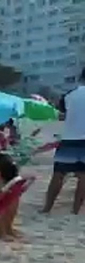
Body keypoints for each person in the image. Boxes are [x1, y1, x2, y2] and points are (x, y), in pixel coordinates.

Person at [42, 67, 85, 214]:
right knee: (83, 177)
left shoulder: (69, 95)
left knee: (58, 174)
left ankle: (47, 208)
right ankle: (75, 210)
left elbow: (64, 113)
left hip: (69, 138)